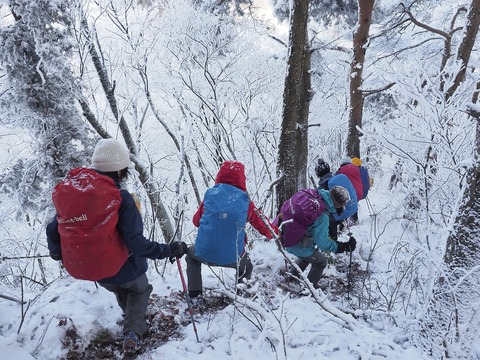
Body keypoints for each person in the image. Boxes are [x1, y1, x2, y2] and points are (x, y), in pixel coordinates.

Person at [46, 138, 188, 352]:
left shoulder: (74, 193)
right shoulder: (121, 198)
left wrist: (57, 253)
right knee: (139, 289)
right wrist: (169, 249)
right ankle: (133, 332)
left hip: (92, 270)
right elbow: (136, 244)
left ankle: (131, 320)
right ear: (121, 171)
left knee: (120, 287)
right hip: (121, 266)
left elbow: (52, 228)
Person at [185, 160, 276, 300]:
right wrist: (278, 233)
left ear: (220, 176)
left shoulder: (210, 196)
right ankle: (241, 298)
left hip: (203, 253)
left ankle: (195, 295)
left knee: (190, 256)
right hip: (233, 258)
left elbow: (196, 222)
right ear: (241, 179)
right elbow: (265, 227)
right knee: (247, 268)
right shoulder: (246, 203)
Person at [284, 185, 357, 288]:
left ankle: (292, 277)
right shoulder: (322, 216)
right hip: (296, 244)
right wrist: (342, 247)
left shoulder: (315, 196)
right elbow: (323, 243)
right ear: (338, 205)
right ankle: (310, 289)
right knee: (321, 261)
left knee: (308, 256)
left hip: (286, 235)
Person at [315, 158, 358, 239]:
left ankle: (332, 241)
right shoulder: (339, 177)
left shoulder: (322, 187)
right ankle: (341, 227)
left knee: (327, 219)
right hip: (353, 207)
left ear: (318, 175)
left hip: (343, 212)